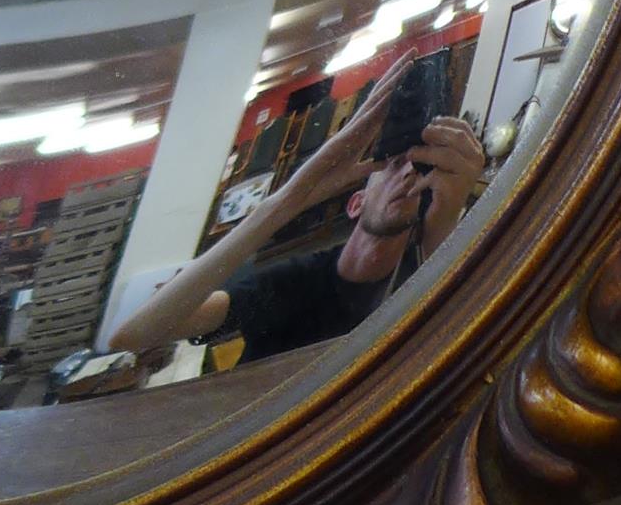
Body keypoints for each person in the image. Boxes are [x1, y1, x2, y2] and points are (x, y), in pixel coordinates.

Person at [105, 60, 488, 374]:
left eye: (417, 169)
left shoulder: (420, 270)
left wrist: (452, 201)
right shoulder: (294, 285)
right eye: (392, 166)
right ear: (354, 204)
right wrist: (291, 198)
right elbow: (135, 336)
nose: (407, 174)